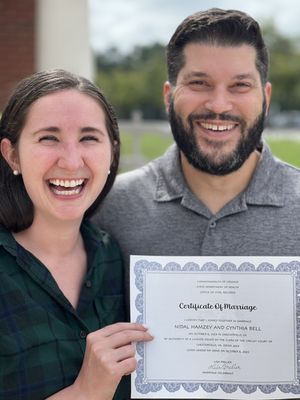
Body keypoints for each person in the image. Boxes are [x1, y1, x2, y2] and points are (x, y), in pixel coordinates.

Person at [95, 8, 300, 309]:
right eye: (199, 83)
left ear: (266, 99)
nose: (218, 104)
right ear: (168, 96)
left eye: (240, 85)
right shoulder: (109, 207)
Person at [0, 69, 152, 400]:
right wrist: (85, 392)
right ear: (12, 155)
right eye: (48, 138)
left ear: (112, 153)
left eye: (88, 138)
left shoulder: (115, 257)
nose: (71, 162)